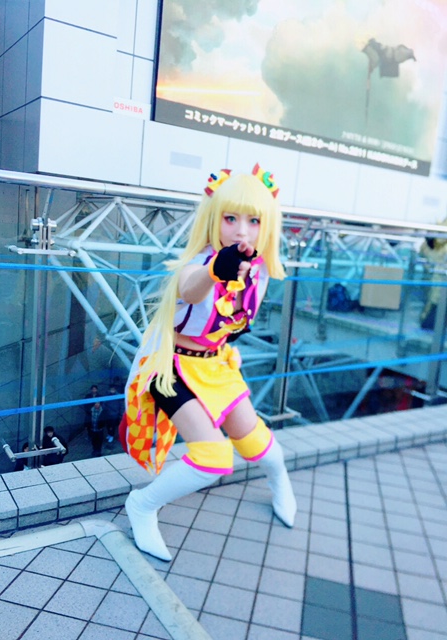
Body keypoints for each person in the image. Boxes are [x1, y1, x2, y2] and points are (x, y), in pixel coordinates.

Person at [119, 164, 297, 561]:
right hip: (169, 368)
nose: (241, 231)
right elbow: (191, 289)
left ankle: (279, 481)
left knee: (259, 446)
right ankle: (142, 505)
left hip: (216, 366)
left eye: (253, 221)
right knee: (213, 457)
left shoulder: (259, 273)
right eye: (231, 218)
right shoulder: (198, 263)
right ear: (214, 219)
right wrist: (217, 269)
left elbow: (229, 324)